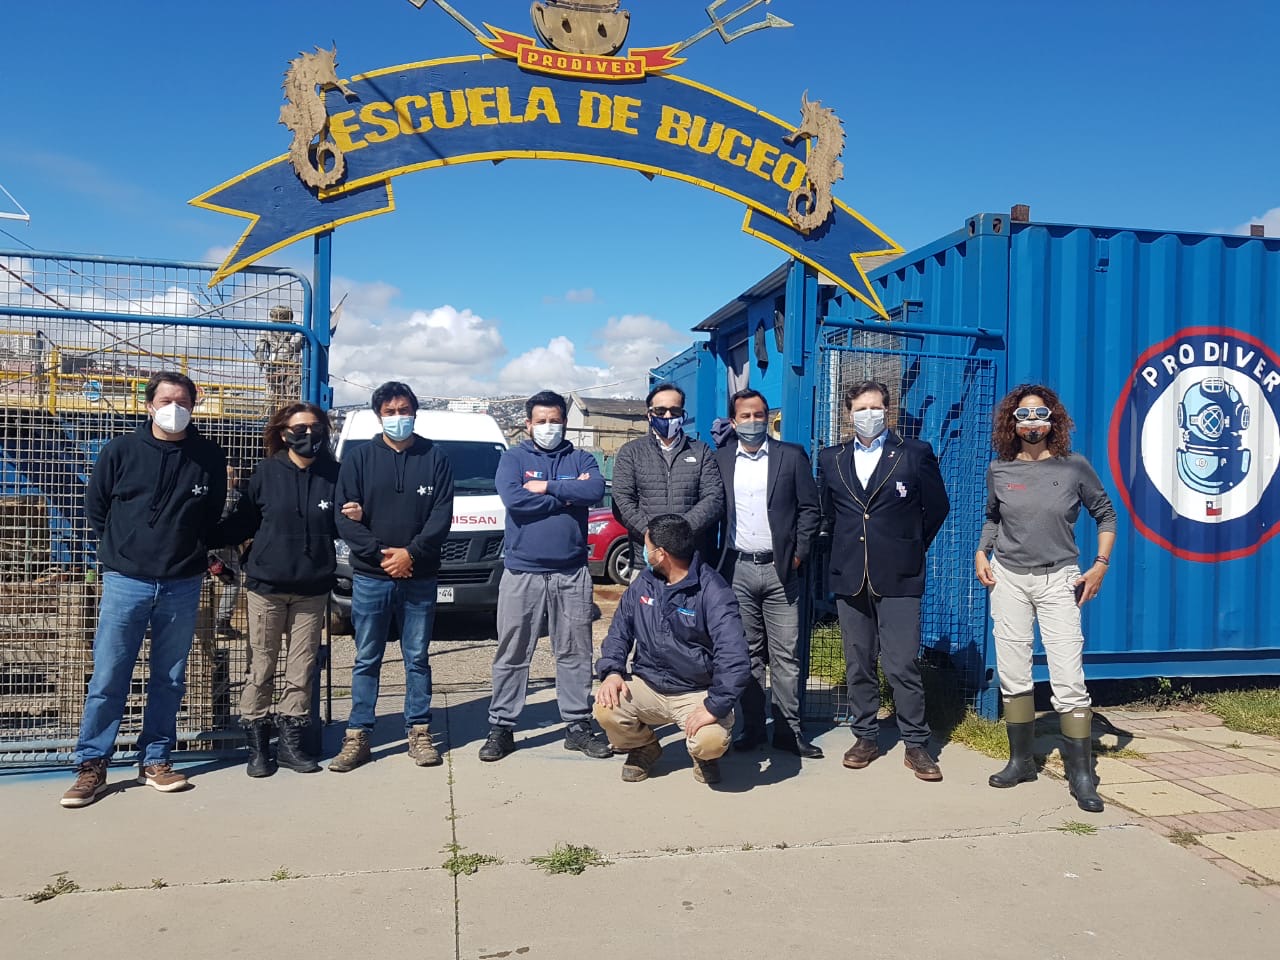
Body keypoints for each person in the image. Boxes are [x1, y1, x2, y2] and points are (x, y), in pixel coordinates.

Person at [61, 372, 227, 808]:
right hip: (126, 580)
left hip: (182, 582)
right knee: (109, 675)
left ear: (194, 405)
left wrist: (194, 554)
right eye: (167, 399)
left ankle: (156, 759)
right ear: (149, 404)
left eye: (184, 400)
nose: (175, 408)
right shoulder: (120, 451)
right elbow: (96, 507)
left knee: (169, 678)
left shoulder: (208, 455)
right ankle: (92, 763)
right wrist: (124, 550)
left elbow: (209, 515)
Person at [975, 384, 1117, 813]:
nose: (1032, 422)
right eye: (1023, 415)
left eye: (1040, 414)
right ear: (1011, 423)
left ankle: (1081, 774)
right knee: (1014, 672)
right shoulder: (999, 469)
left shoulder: (1074, 468)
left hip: (1059, 579)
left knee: (1068, 676)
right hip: (1009, 579)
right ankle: (1020, 761)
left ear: (1053, 420)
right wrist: (982, 551)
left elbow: (1106, 513)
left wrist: (1100, 565)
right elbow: (993, 517)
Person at [212, 403, 362, 778]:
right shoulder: (265, 473)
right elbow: (241, 523)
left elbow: (347, 525)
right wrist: (199, 535)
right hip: (267, 588)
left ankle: (292, 741)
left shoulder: (335, 475)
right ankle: (258, 746)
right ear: (282, 433)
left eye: (315, 427)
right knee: (260, 666)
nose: (308, 434)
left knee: (301, 669)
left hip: (312, 590)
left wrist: (362, 518)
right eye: (299, 428)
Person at [818, 380, 950, 781]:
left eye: (876, 407)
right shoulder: (831, 458)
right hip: (850, 574)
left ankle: (915, 744)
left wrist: (909, 544)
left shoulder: (914, 454)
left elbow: (937, 507)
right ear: (848, 413)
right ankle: (866, 736)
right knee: (858, 663)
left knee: (901, 663)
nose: (869, 414)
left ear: (888, 411)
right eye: (861, 408)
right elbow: (827, 513)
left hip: (900, 575)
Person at [479, 390, 613, 761]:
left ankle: (577, 725)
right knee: (513, 651)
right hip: (523, 573)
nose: (548, 427)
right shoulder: (513, 458)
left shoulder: (582, 457)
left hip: (571, 573)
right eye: (541, 421)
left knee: (574, 651)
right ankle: (502, 727)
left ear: (564, 422)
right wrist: (567, 496)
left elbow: (595, 489)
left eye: (555, 420)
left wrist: (549, 486)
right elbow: (516, 500)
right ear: (528, 424)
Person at [332, 382, 454, 773]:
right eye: (390, 411)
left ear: (415, 412)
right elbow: (342, 515)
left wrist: (410, 554)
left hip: (419, 575)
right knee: (367, 657)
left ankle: (419, 731)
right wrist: (381, 555)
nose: (399, 417)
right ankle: (358, 735)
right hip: (371, 576)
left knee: (416, 657)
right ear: (378, 415)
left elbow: (441, 516)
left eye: (405, 410)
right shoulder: (359, 459)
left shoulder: (434, 457)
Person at [594, 514, 750, 785]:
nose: (644, 552)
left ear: (661, 553)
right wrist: (612, 671)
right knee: (606, 707)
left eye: (647, 546)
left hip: (696, 691)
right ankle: (644, 748)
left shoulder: (713, 591)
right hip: (649, 684)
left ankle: (704, 757)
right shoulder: (644, 582)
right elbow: (619, 631)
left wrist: (714, 706)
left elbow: (734, 657)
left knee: (709, 741)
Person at [714, 389, 822, 759]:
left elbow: (811, 509)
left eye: (759, 414)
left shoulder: (789, 456)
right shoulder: (721, 459)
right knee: (746, 655)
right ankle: (753, 728)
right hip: (737, 569)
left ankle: (790, 731)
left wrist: (798, 555)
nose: (753, 422)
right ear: (733, 422)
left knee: (787, 655)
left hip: (781, 570)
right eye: (745, 416)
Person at [611, 381, 723, 567]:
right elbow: (622, 500)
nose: (668, 416)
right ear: (649, 415)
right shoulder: (631, 452)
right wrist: (653, 535)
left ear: (683, 415)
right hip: (646, 560)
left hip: (690, 560)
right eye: (661, 411)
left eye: (675, 411)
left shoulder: (700, 451)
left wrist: (679, 534)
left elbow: (714, 499)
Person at [213, 460, 244, 640]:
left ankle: (204, 622)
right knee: (233, 580)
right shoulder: (234, 496)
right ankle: (222, 620)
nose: (237, 478)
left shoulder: (211, 493)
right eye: (233, 475)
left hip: (206, 548)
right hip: (225, 547)